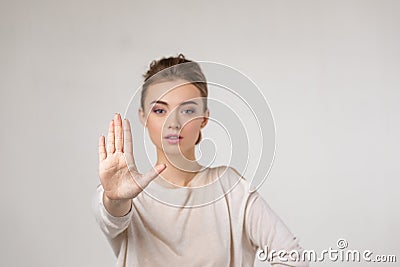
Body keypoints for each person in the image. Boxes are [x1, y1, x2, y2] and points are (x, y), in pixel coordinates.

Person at [93, 54, 309, 266]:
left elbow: (291, 256)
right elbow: (113, 217)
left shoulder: (230, 188)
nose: (173, 122)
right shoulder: (126, 195)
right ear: (143, 116)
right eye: (160, 110)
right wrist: (116, 199)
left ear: (204, 118)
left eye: (187, 110)